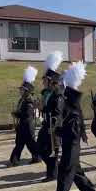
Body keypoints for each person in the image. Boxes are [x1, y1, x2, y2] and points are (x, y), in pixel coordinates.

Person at [48, 62, 96, 191]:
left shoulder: (72, 108)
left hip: (72, 144)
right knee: (76, 172)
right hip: (70, 143)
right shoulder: (70, 105)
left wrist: (58, 130)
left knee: (65, 173)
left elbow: (72, 130)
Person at [37, 51, 65, 183]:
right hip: (46, 124)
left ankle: (52, 173)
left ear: (51, 81)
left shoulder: (58, 95)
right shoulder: (46, 93)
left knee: (52, 150)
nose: (43, 81)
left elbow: (58, 112)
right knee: (40, 148)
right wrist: (40, 107)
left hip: (53, 126)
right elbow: (45, 109)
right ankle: (54, 169)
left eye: (45, 80)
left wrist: (53, 126)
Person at [9, 66, 41, 167]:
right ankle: (14, 159)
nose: (20, 91)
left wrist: (16, 114)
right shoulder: (22, 100)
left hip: (27, 126)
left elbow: (26, 115)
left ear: (27, 92)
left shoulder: (29, 102)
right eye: (21, 90)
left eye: (22, 90)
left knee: (30, 144)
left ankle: (36, 157)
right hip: (22, 126)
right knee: (19, 143)